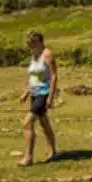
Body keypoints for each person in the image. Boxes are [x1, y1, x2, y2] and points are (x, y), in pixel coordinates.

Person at [17, 29, 57, 166]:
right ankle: (53, 150)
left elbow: (53, 76)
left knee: (27, 122)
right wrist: (25, 93)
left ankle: (28, 157)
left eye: (32, 42)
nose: (30, 45)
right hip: (34, 93)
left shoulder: (47, 54)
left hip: (44, 93)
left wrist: (51, 97)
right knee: (44, 122)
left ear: (39, 41)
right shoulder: (34, 55)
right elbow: (33, 77)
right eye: (28, 42)